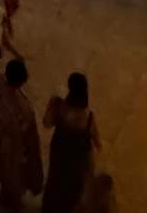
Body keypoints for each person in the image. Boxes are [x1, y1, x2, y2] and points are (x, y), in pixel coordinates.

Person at [42, 73, 101, 213]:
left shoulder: (60, 107)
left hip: (59, 157)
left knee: (55, 186)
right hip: (77, 164)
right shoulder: (89, 116)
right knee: (73, 193)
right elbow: (97, 142)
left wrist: (51, 104)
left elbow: (46, 123)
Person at [0, 59, 43, 210]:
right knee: (14, 172)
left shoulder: (0, 82)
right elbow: (23, 130)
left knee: (4, 168)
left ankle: (4, 195)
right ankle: (12, 201)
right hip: (14, 144)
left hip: (1, 136)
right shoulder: (21, 107)